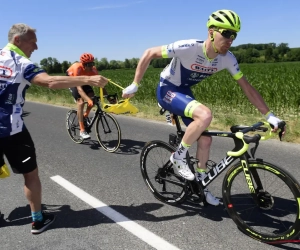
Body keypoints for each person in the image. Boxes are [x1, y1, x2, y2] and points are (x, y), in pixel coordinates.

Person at [122, 9, 286, 206]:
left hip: (184, 92)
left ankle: (201, 185)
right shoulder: (189, 47)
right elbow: (149, 53)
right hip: (167, 89)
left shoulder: (227, 58)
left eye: (234, 35)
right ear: (211, 32)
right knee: (205, 114)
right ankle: (178, 156)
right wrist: (135, 84)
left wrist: (270, 115)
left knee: (206, 139)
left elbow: (247, 88)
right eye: (226, 33)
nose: (230, 39)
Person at [0, 23, 108, 233]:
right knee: (30, 175)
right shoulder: (21, 63)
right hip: (11, 129)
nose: (36, 47)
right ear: (17, 41)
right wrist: (88, 79)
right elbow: (49, 82)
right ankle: (38, 220)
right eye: (33, 42)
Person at [67, 53, 117, 139]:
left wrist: (108, 98)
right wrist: (87, 99)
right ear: (83, 65)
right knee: (81, 102)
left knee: (92, 97)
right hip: (72, 81)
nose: (91, 66)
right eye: (89, 65)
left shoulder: (93, 70)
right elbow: (79, 89)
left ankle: (84, 116)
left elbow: (101, 85)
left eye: (92, 64)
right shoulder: (77, 68)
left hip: (84, 80)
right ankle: (82, 130)